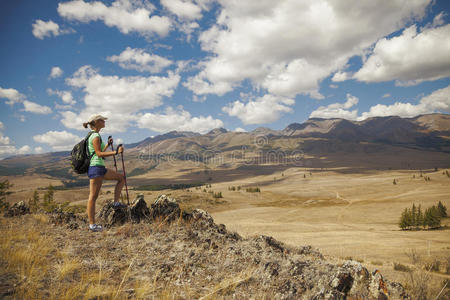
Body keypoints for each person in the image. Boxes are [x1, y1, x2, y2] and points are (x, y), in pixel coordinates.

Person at [82, 114, 125, 232]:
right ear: (96, 122)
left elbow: (100, 151)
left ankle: (116, 203)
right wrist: (116, 152)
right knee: (93, 196)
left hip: (99, 167)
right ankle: (92, 225)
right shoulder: (95, 136)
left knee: (121, 178)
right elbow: (99, 154)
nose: (104, 121)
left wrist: (107, 144)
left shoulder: (94, 135)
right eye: (102, 120)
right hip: (96, 167)